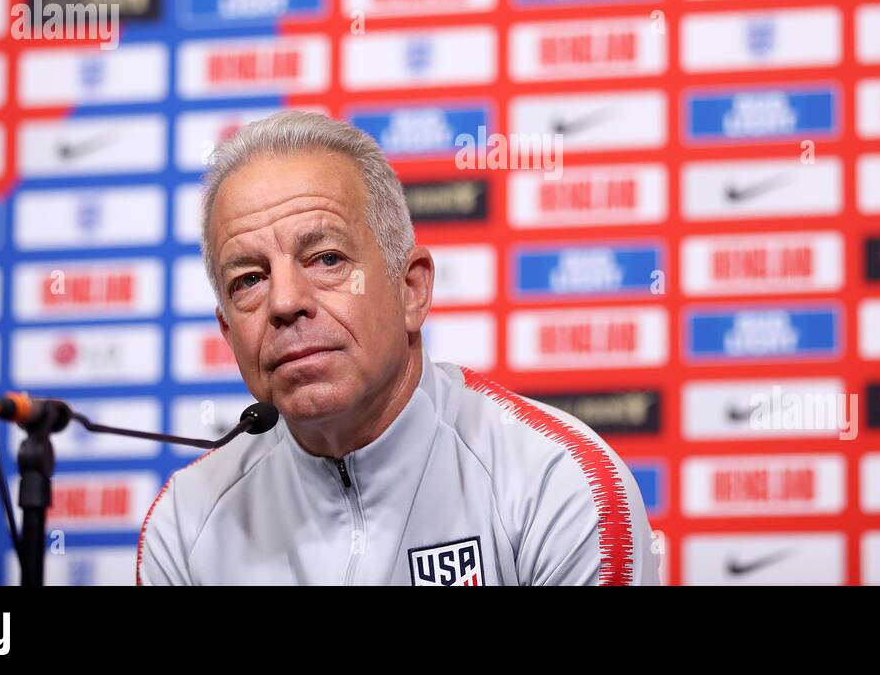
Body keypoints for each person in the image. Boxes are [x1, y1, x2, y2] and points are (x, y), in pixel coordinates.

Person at [137, 109, 661, 585]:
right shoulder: (186, 524)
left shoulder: (558, 484)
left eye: (325, 259)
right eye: (249, 279)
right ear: (229, 333)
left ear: (411, 289)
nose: (285, 302)